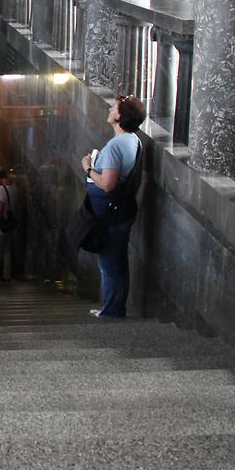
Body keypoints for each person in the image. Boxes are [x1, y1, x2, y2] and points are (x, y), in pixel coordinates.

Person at [80, 94, 146, 318]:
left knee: (109, 264)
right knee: (117, 262)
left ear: (120, 116)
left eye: (114, 108)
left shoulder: (117, 144)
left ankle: (112, 312)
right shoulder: (132, 140)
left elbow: (108, 184)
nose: (110, 110)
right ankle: (113, 307)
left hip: (110, 214)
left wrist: (88, 168)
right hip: (120, 210)